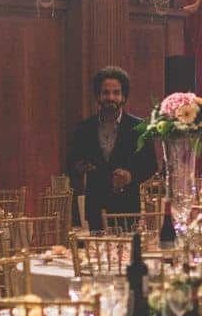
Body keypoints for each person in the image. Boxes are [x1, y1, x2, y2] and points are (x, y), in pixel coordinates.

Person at [66, 66, 157, 229]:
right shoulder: (83, 128)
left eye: (116, 93)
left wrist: (130, 175)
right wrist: (79, 168)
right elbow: (70, 164)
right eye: (106, 92)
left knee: (127, 254)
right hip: (95, 207)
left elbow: (151, 166)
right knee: (95, 253)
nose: (111, 97)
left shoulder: (139, 127)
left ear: (124, 96)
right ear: (98, 96)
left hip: (127, 209)